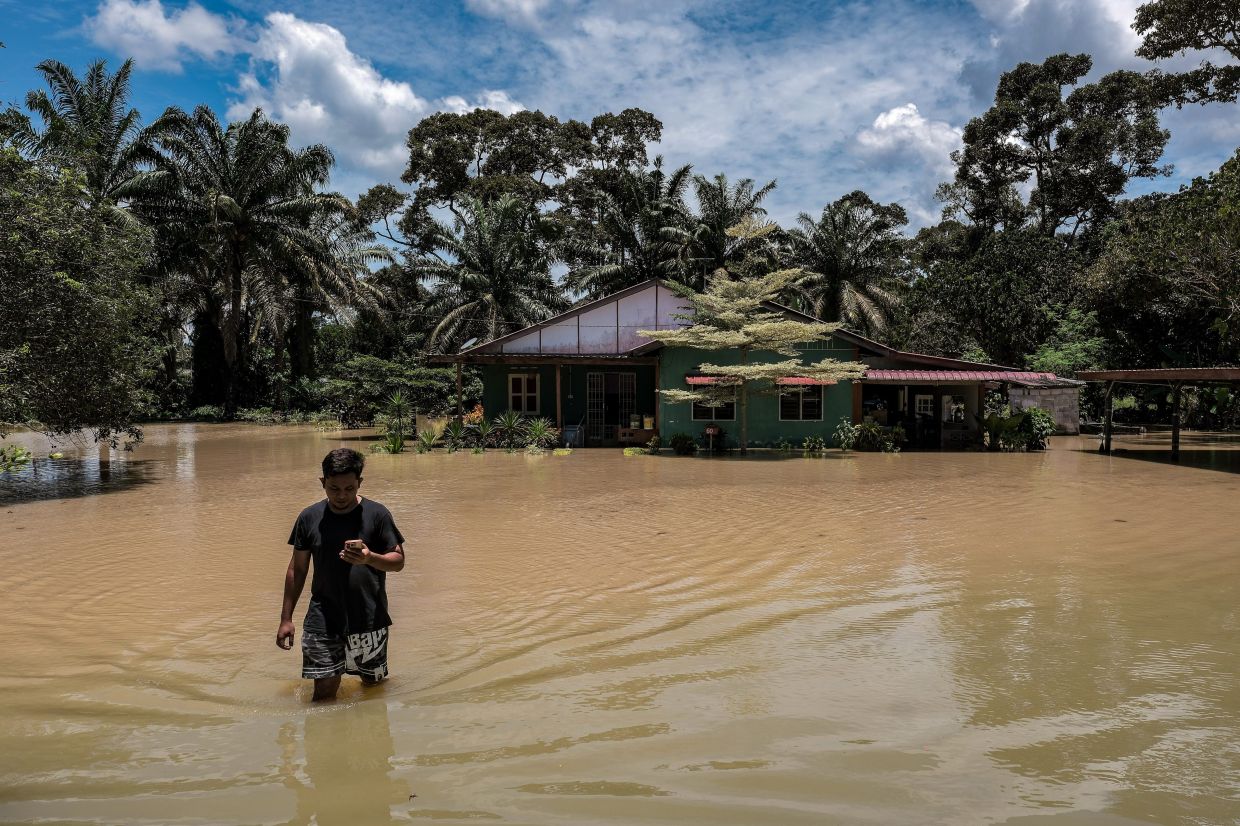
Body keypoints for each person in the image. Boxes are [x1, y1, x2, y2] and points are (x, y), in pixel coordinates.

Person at [277, 448, 406, 701]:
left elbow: (398, 561)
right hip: (322, 618)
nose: (342, 496)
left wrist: (370, 558)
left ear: (360, 482)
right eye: (334, 488)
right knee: (323, 693)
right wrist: (286, 618)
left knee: (373, 688)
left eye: (349, 488)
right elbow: (297, 568)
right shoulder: (309, 517)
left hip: (370, 616)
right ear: (323, 482)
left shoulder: (378, 514)